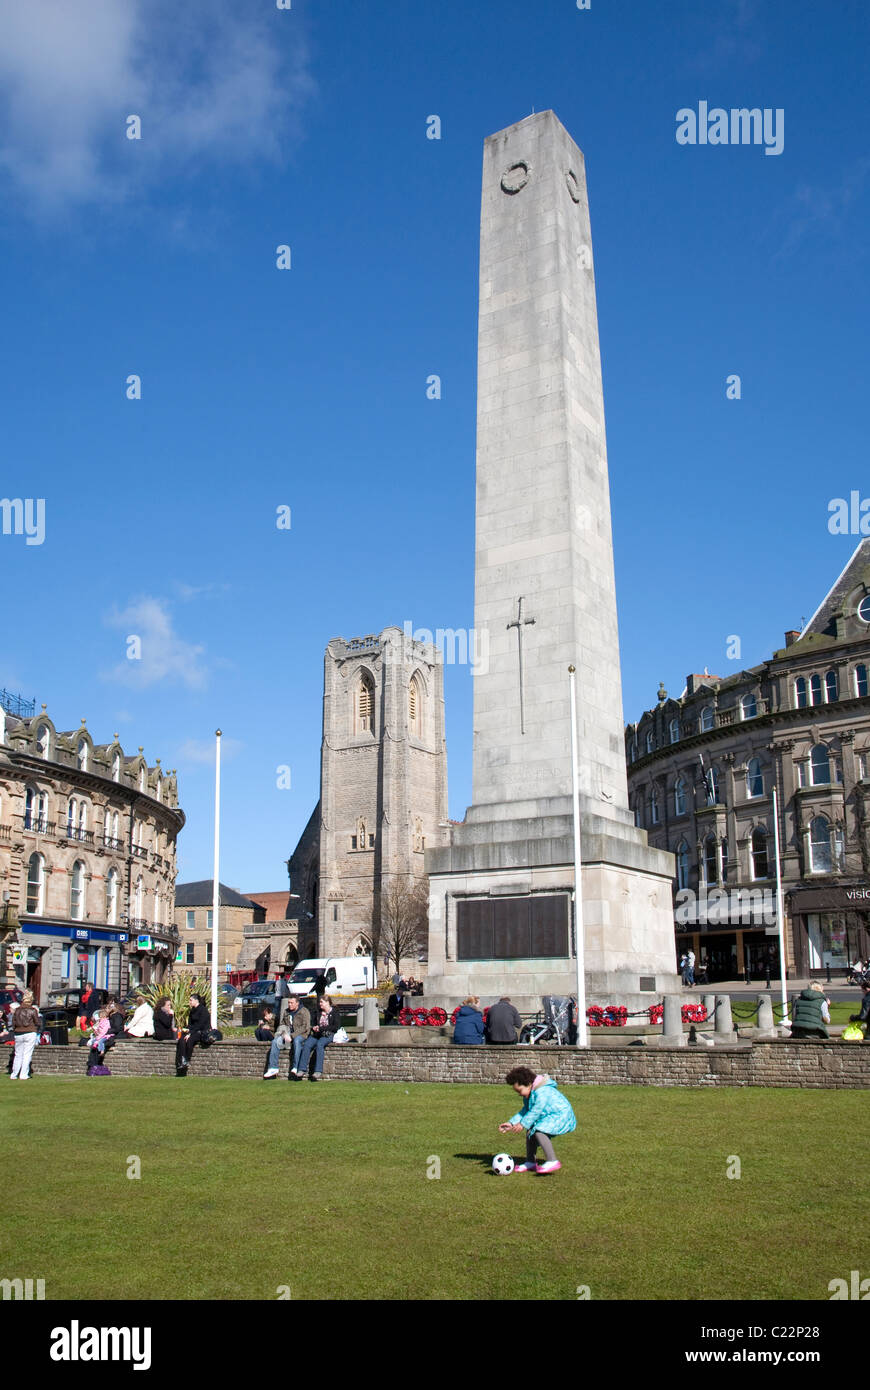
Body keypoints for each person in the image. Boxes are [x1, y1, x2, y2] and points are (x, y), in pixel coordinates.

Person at [499, 1066, 577, 1174]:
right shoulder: (530, 1093)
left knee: (539, 1131)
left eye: (520, 1091)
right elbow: (526, 1110)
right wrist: (511, 1123)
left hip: (561, 1115)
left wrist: (522, 1124)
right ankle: (530, 1162)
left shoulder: (542, 1091)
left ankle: (552, 1161)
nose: (519, 1094)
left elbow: (536, 1110)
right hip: (550, 1115)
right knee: (530, 1131)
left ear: (528, 1084)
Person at [264, 995, 310, 1079]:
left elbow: (305, 1027)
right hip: (287, 1035)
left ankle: (295, 1067)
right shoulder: (286, 1011)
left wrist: (291, 1036)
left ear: (297, 1003)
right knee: (275, 1042)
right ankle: (273, 1068)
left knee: (297, 1041)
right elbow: (282, 1025)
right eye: (289, 1003)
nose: (289, 1004)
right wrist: (284, 1034)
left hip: (301, 1035)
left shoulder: (304, 1011)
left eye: (292, 1003)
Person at [294, 993, 339, 1081]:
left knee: (320, 1044)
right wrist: (314, 1027)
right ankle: (301, 1070)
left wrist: (321, 1028)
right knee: (307, 1045)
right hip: (317, 1034)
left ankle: (318, 1071)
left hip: (327, 1034)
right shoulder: (318, 1012)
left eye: (322, 1002)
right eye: (319, 1002)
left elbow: (335, 1027)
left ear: (327, 1002)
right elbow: (313, 1023)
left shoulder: (334, 1012)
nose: (320, 1004)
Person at [175, 993, 210, 1075]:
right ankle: (182, 1060)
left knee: (190, 1040)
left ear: (196, 1001)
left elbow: (200, 1025)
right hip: (193, 1030)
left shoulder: (203, 1010)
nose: (189, 1002)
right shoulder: (192, 1011)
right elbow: (191, 1024)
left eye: (191, 1000)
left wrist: (190, 1033)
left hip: (201, 1031)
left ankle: (187, 1059)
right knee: (182, 1039)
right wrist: (187, 1029)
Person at [10, 991, 41, 1080]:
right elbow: (37, 1022)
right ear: (31, 1000)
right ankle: (23, 1074)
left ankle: (14, 1074)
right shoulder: (33, 1010)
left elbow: (13, 1023)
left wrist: (16, 1029)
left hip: (18, 1033)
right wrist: (37, 1029)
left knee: (18, 1054)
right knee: (27, 1054)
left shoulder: (17, 1010)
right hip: (30, 1032)